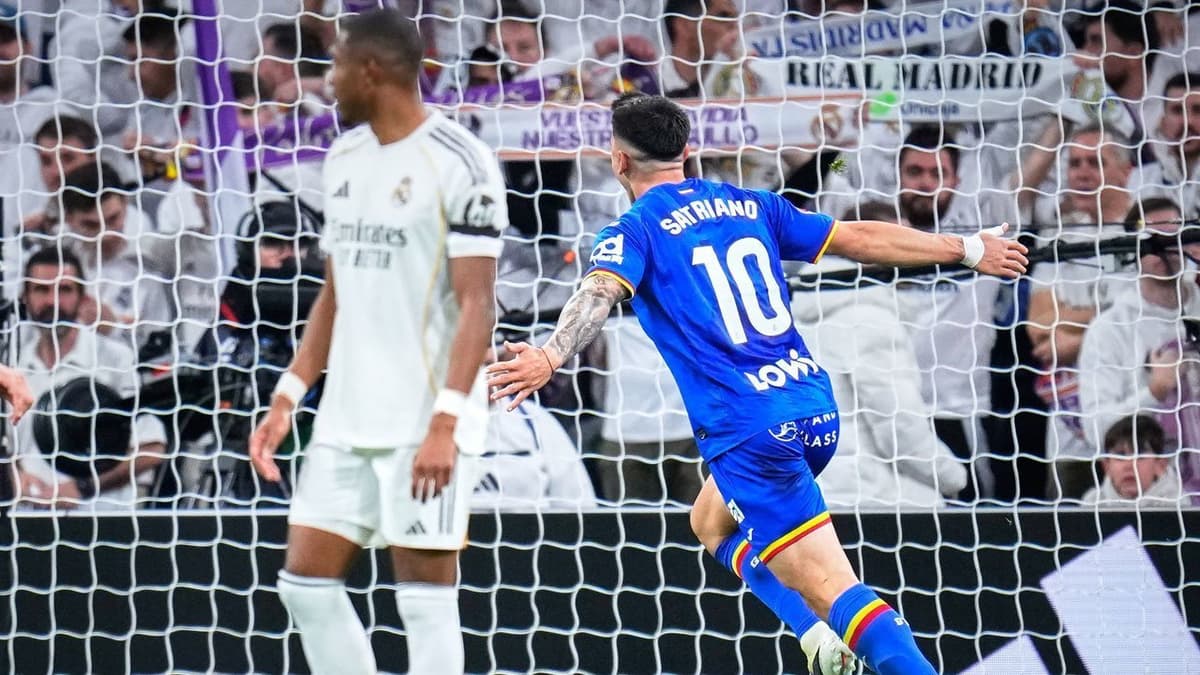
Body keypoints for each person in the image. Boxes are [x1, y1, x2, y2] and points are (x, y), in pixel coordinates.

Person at [486, 93, 1027, 675]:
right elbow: (859, 238)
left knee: (837, 592)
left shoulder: (633, 230)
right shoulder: (749, 204)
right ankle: (815, 636)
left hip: (751, 432)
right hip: (811, 406)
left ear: (618, 162)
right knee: (709, 521)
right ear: (687, 152)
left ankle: (841, 632)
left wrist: (548, 355)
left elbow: (597, 295)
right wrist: (968, 248)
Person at [248, 10, 506, 675]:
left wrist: (446, 421)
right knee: (303, 584)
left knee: (423, 600)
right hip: (344, 418)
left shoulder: (463, 161)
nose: (327, 80)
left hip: (425, 420)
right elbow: (336, 293)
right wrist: (288, 395)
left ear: (371, 70)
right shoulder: (344, 156)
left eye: (335, 66)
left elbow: (479, 303)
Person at [12, 245, 167, 511]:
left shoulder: (116, 359)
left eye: (65, 290)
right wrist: (15, 478)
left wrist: (83, 488)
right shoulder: (13, 367)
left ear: (84, 299)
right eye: (41, 290)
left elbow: (152, 447)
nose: (53, 301)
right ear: (25, 298)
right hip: (27, 524)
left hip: (102, 524)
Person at [1082, 414, 1187, 507]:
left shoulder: (1177, 503)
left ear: (1160, 465)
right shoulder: (1092, 502)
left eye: (1139, 456)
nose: (1129, 465)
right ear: (1106, 466)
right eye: (1120, 455)